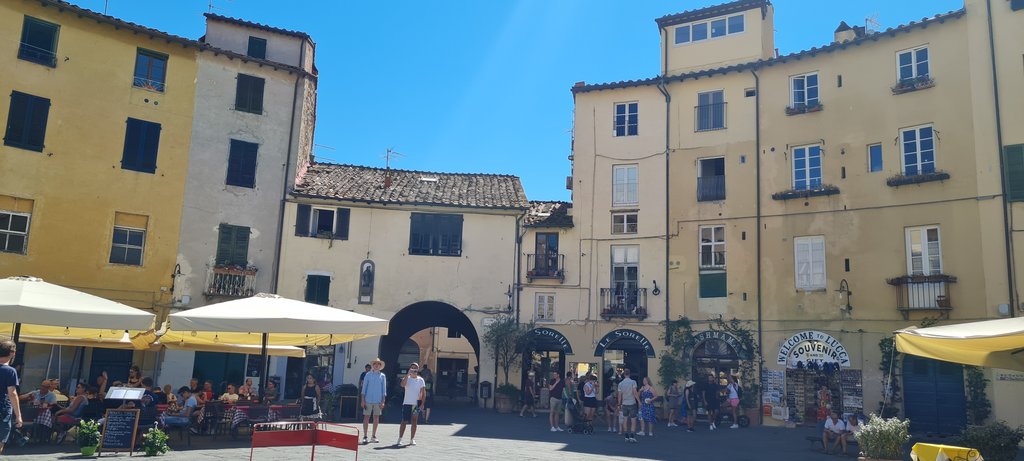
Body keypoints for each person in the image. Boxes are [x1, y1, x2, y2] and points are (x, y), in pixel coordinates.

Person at [0, 340, 23, 455]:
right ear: (12, 353)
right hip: (2, 411)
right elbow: (12, 394)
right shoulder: (10, 371)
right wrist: (18, 416)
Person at [397, 363, 426, 446]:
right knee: (404, 421)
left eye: (415, 368)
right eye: (412, 368)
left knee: (414, 421)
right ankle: (400, 438)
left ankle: (412, 439)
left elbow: (423, 392)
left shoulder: (421, 380)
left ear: (418, 369)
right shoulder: (407, 378)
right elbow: (402, 384)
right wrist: (407, 374)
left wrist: (422, 404)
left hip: (415, 404)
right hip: (407, 403)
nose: (414, 369)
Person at [361, 358, 386, 444]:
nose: (376, 365)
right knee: (366, 417)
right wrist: (362, 400)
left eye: (378, 364)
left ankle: (373, 436)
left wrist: (383, 401)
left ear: (380, 366)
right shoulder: (368, 375)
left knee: (376, 417)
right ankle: (365, 436)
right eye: (375, 364)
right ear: (373, 365)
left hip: (378, 400)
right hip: (368, 399)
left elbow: (384, 390)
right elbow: (364, 389)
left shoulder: (383, 376)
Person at [617, 368, 640, 443]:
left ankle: (626, 436)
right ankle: (632, 436)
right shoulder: (633, 382)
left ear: (624, 374)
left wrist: (619, 404)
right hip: (632, 403)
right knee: (633, 420)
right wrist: (639, 401)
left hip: (624, 403)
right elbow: (635, 392)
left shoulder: (620, 384)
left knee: (625, 420)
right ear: (630, 374)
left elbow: (619, 395)